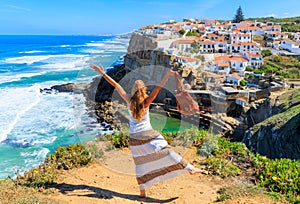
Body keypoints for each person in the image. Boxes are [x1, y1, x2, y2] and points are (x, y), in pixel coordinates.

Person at [90, 64, 207, 198]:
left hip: (134, 139)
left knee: (140, 163)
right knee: (167, 152)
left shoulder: (129, 101)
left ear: (133, 90)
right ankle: (190, 169)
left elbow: (116, 85)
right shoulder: (147, 102)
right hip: (149, 135)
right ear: (144, 90)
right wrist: (167, 76)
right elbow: (158, 88)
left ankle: (142, 192)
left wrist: (102, 73)